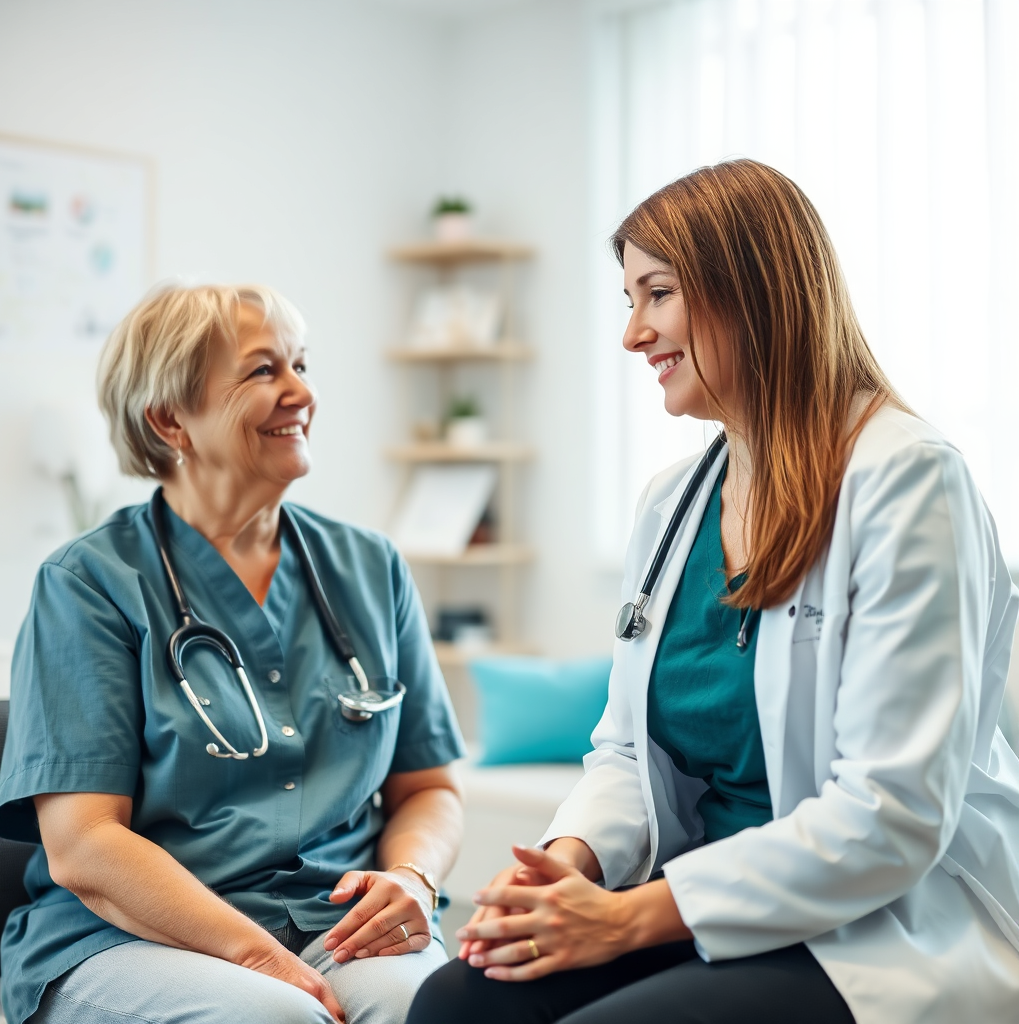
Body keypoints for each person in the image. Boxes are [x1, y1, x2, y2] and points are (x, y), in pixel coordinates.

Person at [408, 159, 1019, 1024]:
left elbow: (893, 814)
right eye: (629, 300)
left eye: (656, 294)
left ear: (753, 290)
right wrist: (568, 866)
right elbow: (628, 753)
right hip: (707, 890)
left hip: (878, 921)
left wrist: (623, 921)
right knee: (458, 1004)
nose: (633, 335)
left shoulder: (908, 481)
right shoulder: (674, 501)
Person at [0, 284, 467, 1024]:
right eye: (263, 371)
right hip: (126, 938)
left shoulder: (369, 568)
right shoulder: (89, 584)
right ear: (168, 418)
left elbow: (428, 787)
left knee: (436, 1011)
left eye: (301, 365)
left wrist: (412, 877)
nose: (301, 392)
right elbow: (85, 845)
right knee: (277, 1020)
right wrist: (256, 958)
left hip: (333, 923)